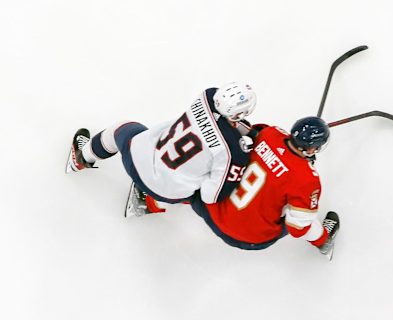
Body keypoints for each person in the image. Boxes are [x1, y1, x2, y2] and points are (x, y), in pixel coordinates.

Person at [66, 82, 257, 212]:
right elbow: (210, 196)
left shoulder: (207, 96)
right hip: (166, 191)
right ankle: (149, 202)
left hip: (138, 157)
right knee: (197, 184)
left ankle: (82, 158)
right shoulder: (232, 151)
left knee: (121, 128)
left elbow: (220, 119)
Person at [188, 116, 340, 252]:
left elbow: (251, 133)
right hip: (247, 238)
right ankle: (324, 242)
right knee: (300, 214)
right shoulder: (307, 179)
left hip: (210, 210)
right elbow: (297, 229)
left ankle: (175, 195)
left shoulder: (270, 133)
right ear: (312, 148)